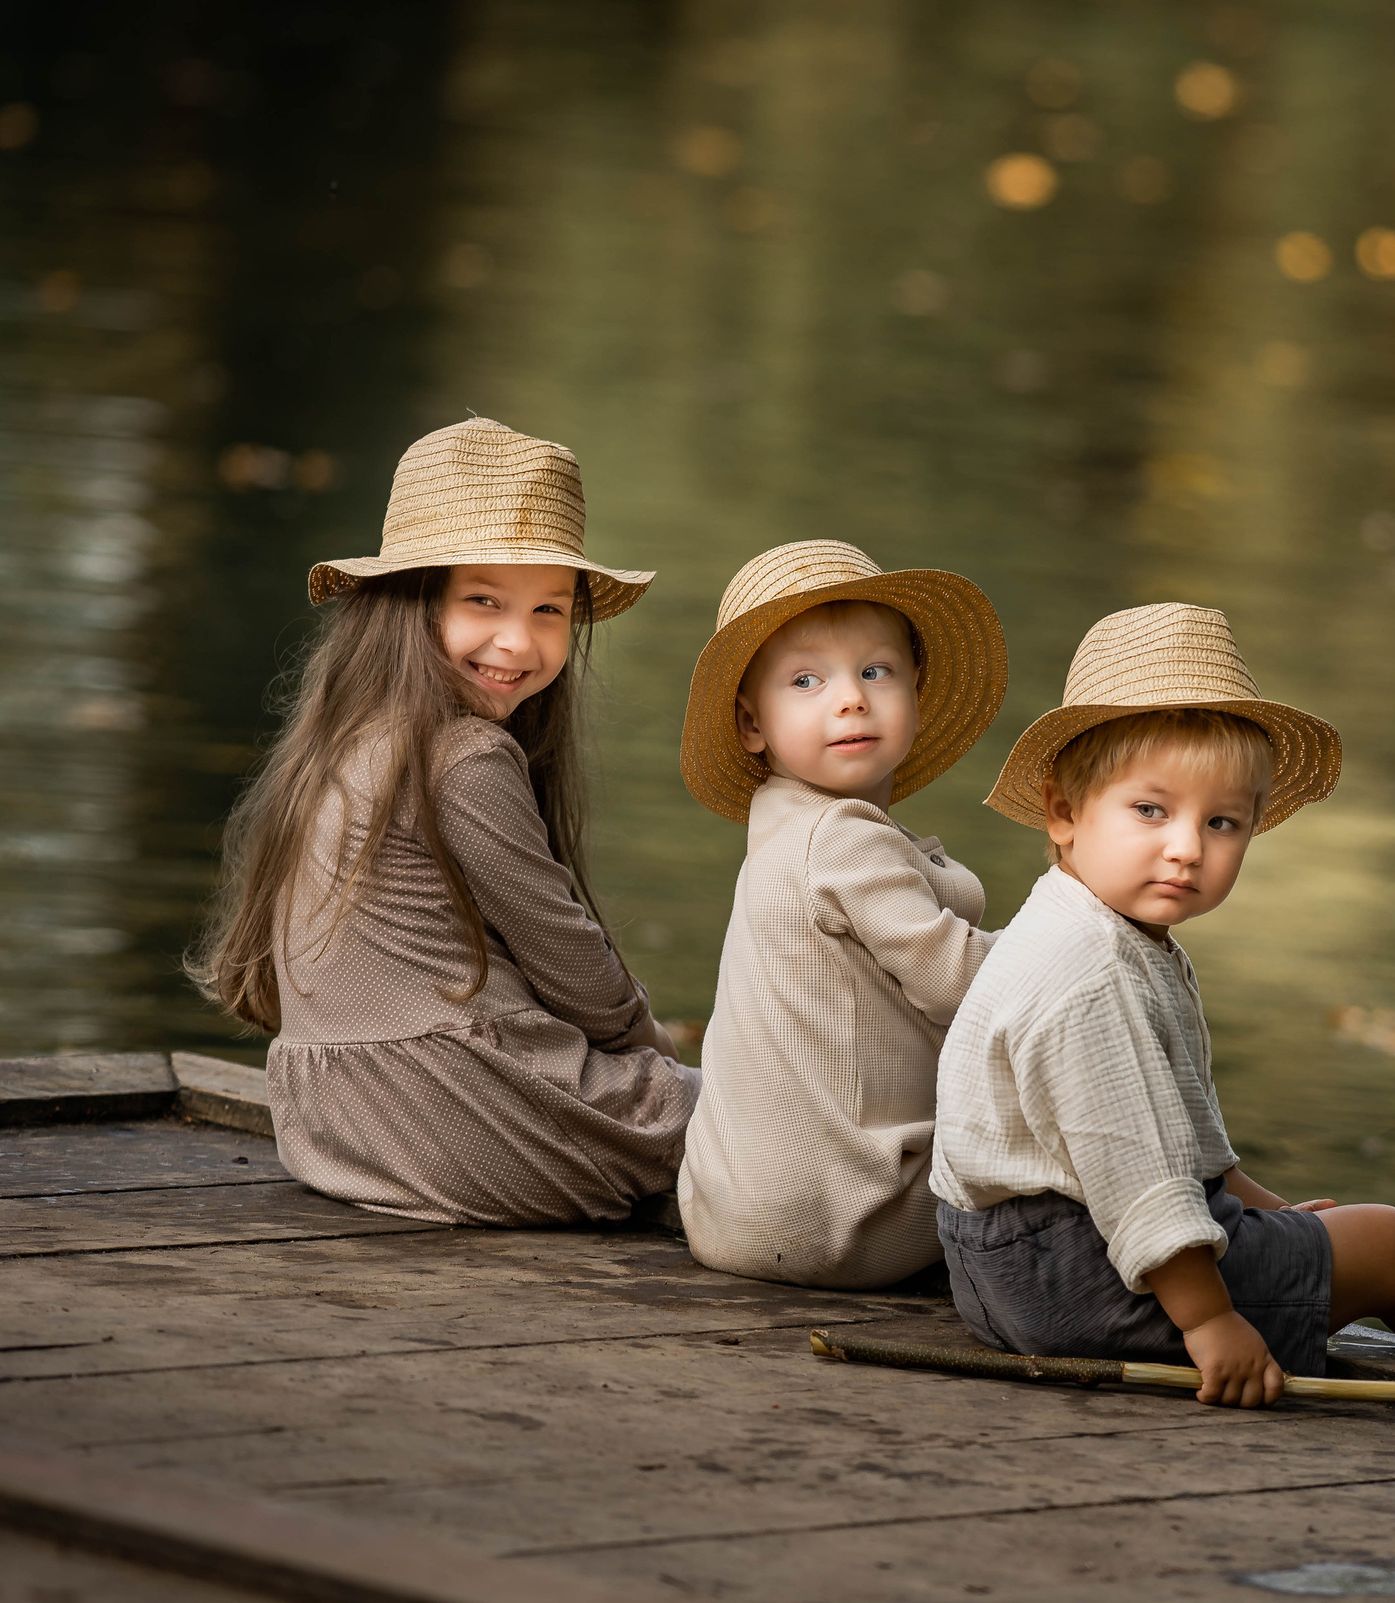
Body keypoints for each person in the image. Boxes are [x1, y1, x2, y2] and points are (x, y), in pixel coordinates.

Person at [931, 603, 1395, 1406]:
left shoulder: (1091, 926)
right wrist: (1212, 1323)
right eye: (1151, 810)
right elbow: (1138, 1177)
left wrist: (1268, 1216)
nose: (1187, 846)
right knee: (1392, 1245)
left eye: (1222, 821)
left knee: (1332, 1231)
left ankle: (1304, 1264)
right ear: (1063, 812)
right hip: (1083, 1279)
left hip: (999, 1269)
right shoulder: (1089, 971)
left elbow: (1179, 1139)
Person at [189, 417, 695, 1225]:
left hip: (338, 1128)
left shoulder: (346, 741)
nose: (517, 640)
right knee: (754, 1114)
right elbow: (574, 968)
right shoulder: (459, 755)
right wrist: (656, 1055)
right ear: (411, 601)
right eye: (484, 601)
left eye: (549, 610)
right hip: (454, 1109)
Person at [673, 540, 1007, 1288]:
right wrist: (1067, 939)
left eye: (875, 670)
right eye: (806, 679)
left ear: (915, 689)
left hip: (726, 1214)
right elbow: (964, 986)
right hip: (846, 1221)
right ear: (752, 726)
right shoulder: (842, 837)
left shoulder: (781, 828)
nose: (850, 696)